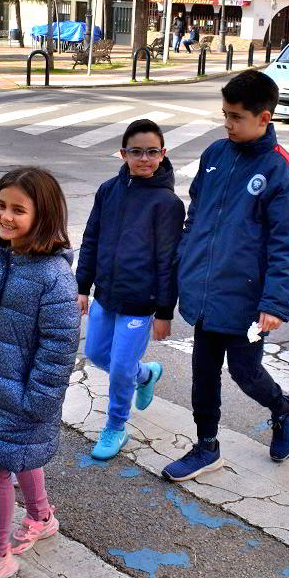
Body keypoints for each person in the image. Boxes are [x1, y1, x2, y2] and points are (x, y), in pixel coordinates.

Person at [162, 70, 289, 482]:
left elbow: (287, 242)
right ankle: (206, 446)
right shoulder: (215, 155)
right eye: (225, 114)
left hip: (248, 301)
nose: (228, 123)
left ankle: (283, 408)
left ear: (264, 118)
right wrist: (183, 269)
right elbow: (196, 219)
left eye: (237, 117)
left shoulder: (279, 170)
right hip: (207, 292)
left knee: (245, 372)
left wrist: (275, 303)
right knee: (202, 373)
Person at [0, 167, 79, 578]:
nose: (6, 216)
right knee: (16, 456)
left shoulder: (54, 276)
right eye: (2, 206)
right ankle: (41, 516)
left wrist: (35, 402)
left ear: (42, 216)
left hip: (24, 396)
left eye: (18, 210)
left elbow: (59, 347)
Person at [76, 119, 184, 461]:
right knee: (95, 354)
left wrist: (164, 312)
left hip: (141, 302)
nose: (144, 158)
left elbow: (169, 261)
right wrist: (82, 285)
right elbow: (91, 238)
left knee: (120, 367)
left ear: (163, 154)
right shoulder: (108, 190)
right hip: (107, 294)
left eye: (152, 152)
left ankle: (116, 426)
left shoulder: (167, 203)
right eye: (136, 152)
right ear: (123, 154)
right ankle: (146, 373)